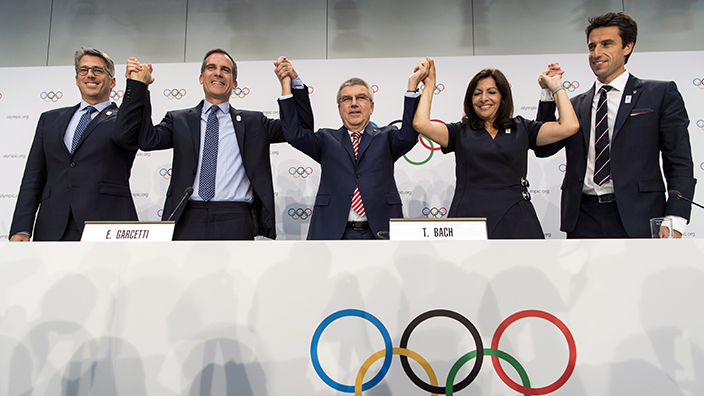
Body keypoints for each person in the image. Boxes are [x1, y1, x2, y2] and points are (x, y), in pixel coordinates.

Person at [115, 49, 314, 240]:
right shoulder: (179, 120)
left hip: (236, 217)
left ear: (234, 83)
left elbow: (302, 130)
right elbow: (146, 140)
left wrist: (292, 83)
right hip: (189, 216)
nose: (218, 73)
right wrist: (138, 86)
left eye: (225, 70)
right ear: (201, 78)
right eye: (211, 68)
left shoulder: (254, 123)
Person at [535, 12, 695, 238]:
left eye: (606, 44)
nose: (596, 53)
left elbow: (678, 160)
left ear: (627, 47)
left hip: (640, 215)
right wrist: (549, 94)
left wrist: (676, 217)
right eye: (591, 46)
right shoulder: (574, 106)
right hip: (582, 218)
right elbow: (543, 147)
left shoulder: (659, 94)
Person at [412, 58, 579, 239]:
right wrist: (429, 85)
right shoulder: (459, 132)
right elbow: (421, 124)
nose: (484, 98)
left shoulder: (522, 128)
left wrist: (555, 86)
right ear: (470, 99)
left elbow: (569, 126)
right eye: (477, 93)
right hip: (469, 219)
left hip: (516, 218)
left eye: (492, 92)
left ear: (503, 97)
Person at [274, 58, 429, 239]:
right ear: (339, 109)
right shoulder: (326, 139)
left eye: (361, 98)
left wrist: (412, 87)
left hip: (379, 232)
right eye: (347, 99)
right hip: (333, 233)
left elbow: (409, 135)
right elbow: (293, 135)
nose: (354, 103)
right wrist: (288, 85)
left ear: (371, 107)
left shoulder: (387, 136)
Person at [9, 47, 139, 241]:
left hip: (106, 224)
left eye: (98, 70)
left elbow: (130, 133)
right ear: (76, 79)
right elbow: (33, 177)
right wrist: (21, 228)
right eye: (83, 70)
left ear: (112, 82)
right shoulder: (50, 119)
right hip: (53, 225)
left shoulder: (126, 120)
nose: (90, 75)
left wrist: (135, 85)